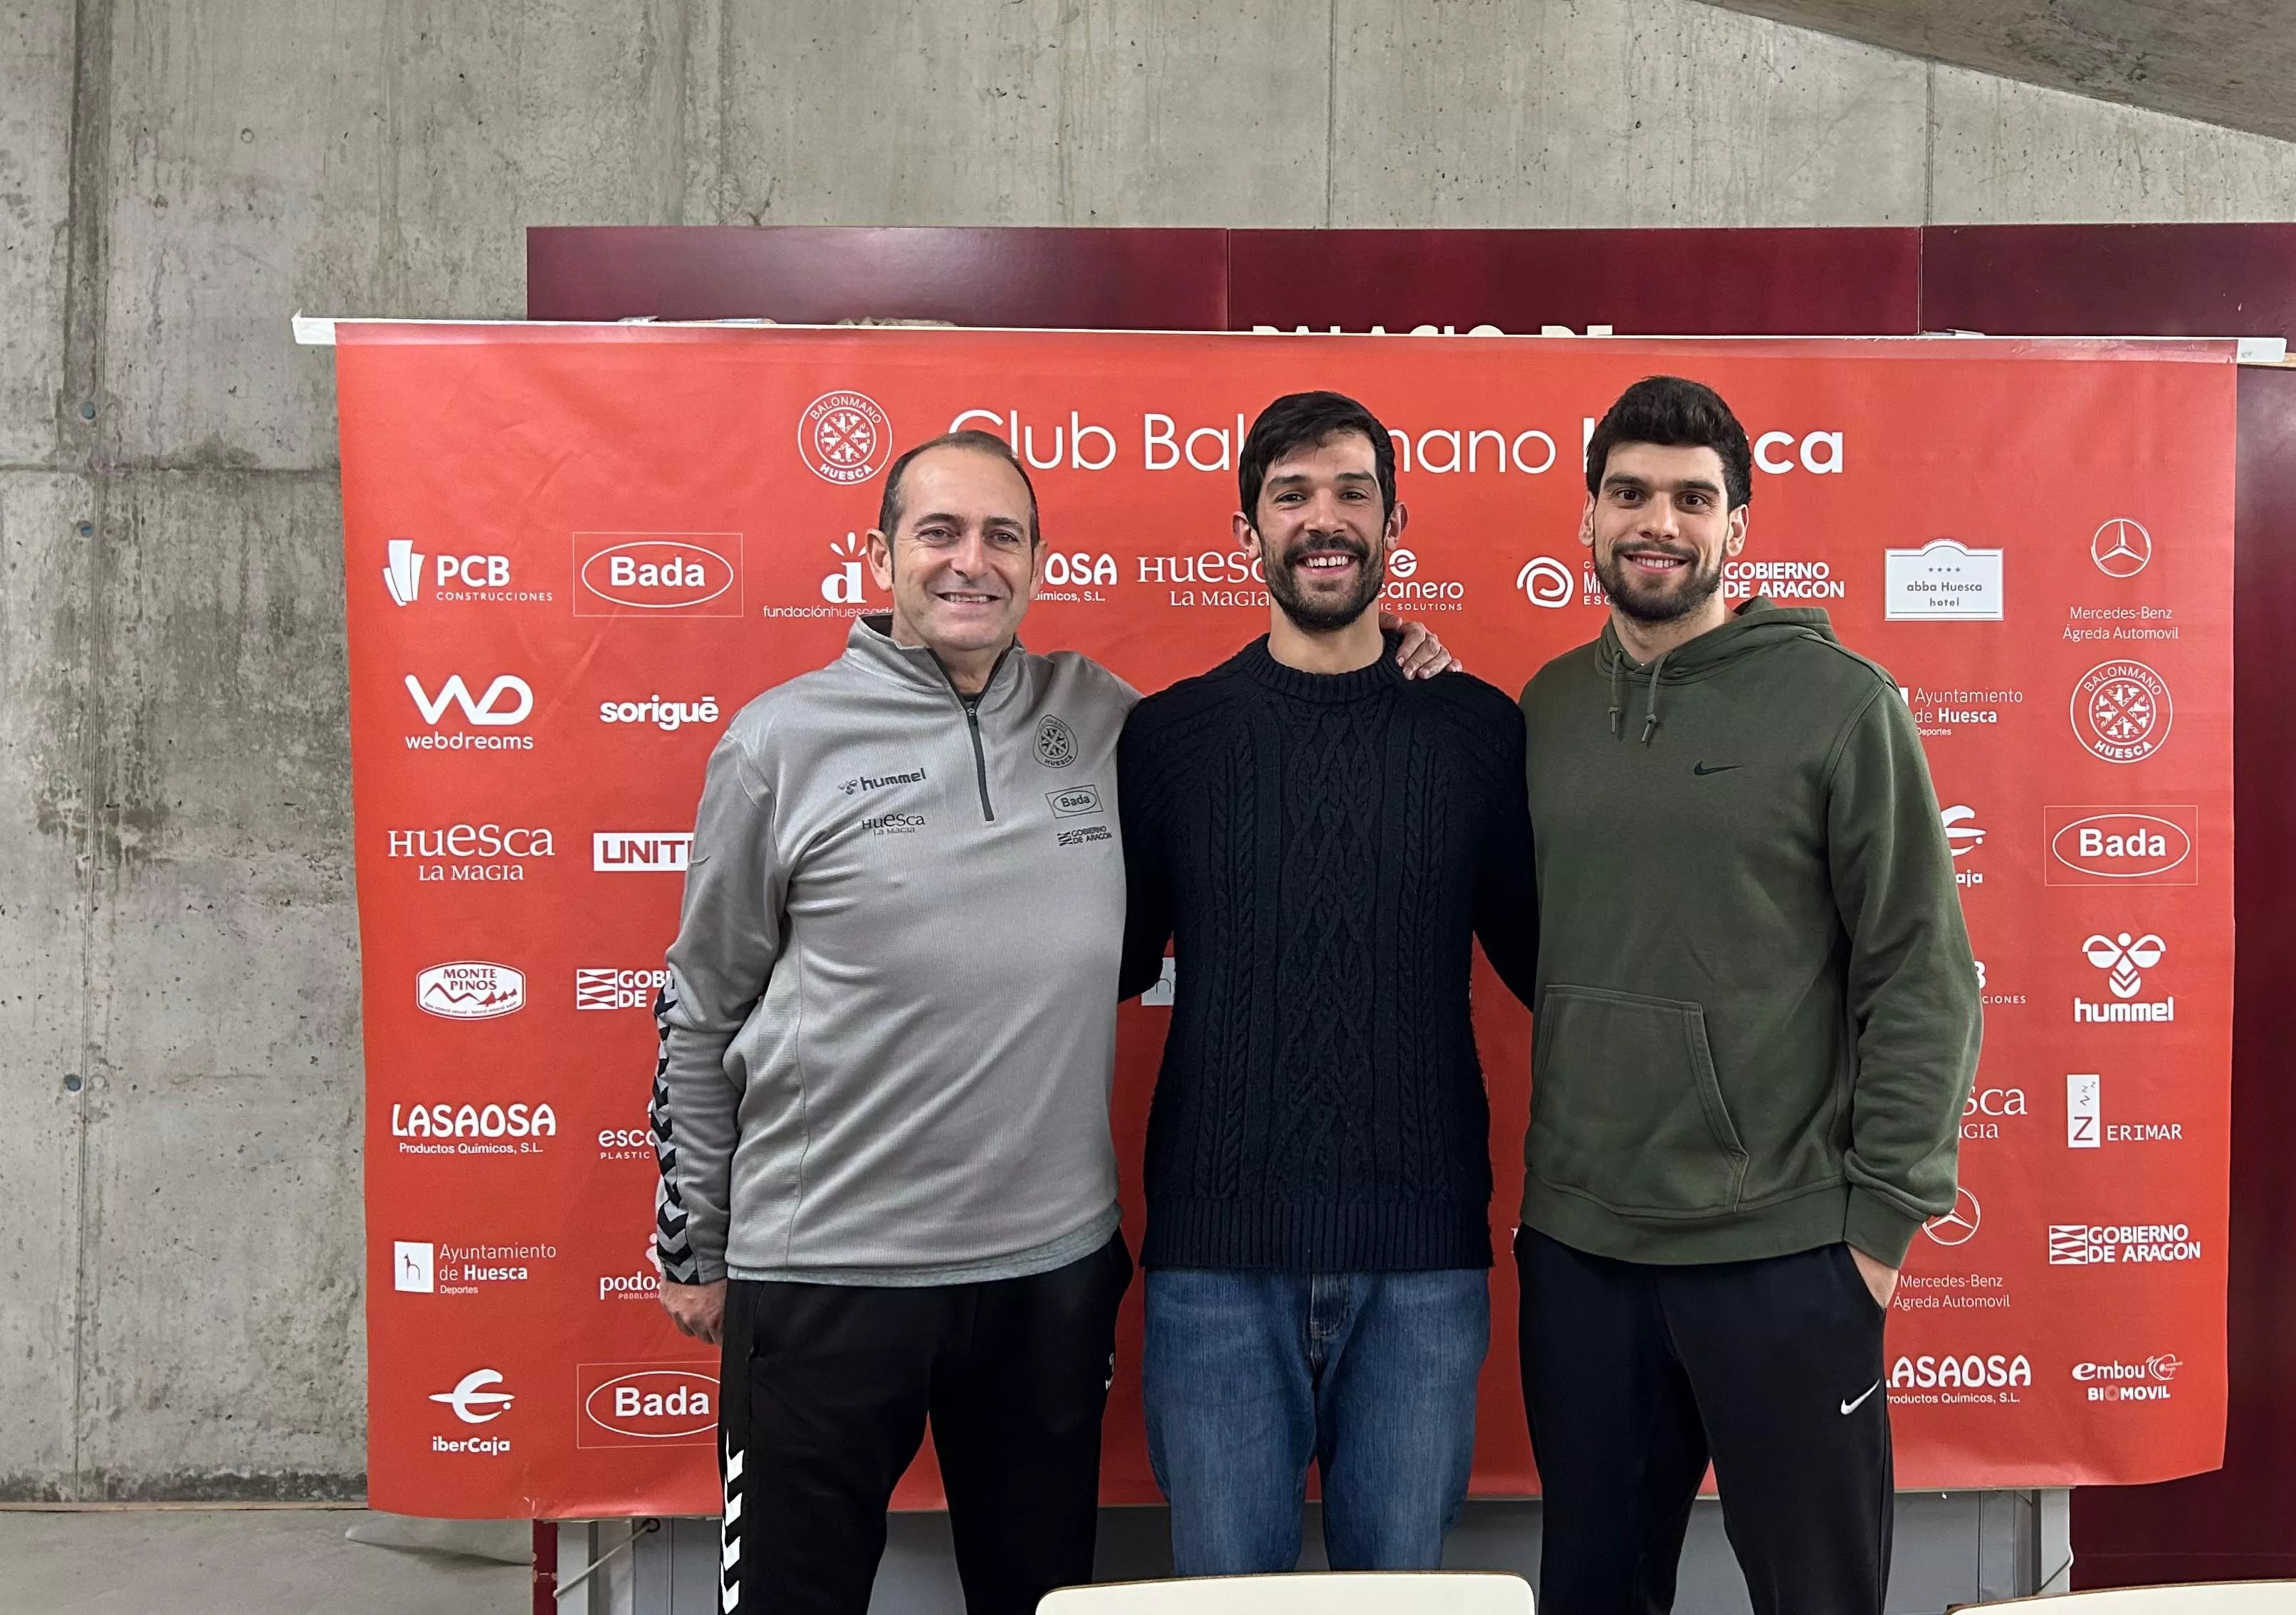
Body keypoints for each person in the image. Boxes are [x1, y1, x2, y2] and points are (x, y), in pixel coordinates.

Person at [649, 428, 1453, 1615]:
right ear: (879, 558)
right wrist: (695, 1243)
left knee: (1038, 1601)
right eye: (938, 533)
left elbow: (1274, 726)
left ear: (1036, 564)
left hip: (1047, 1281)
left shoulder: (1114, 722)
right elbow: (699, 1005)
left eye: (1001, 536)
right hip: (823, 1273)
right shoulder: (777, 742)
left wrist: (1391, 660)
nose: (970, 562)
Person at [1516, 376, 1981, 1615]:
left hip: (1783, 1254)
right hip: (1582, 1252)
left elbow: (1923, 972)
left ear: (1740, 528)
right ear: (1588, 519)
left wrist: (1876, 1236)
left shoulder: (1840, 705)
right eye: (1629, 493)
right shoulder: (1550, 706)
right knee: (1595, 1595)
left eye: (1691, 497)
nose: (1657, 521)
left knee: (1816, 1599)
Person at [1117, 391, 1537, 1577]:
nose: (1325, 519)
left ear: (1398, 521)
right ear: (1244, 532)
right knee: (1224, 1606)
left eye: (1354, 492)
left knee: (1398, 1604)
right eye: (1292, 496)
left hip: (1422, 1258)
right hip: (1213, 1257)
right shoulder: (1169, 739)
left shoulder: (1476, 730)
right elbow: (1100, 963)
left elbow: (1556, 962)